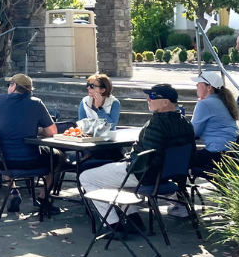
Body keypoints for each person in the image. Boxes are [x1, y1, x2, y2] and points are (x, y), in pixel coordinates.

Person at [78, 84, 196, 231]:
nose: (148, 99)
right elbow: (189, 154)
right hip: (167, 177)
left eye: (153, 97)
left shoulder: (156, 124)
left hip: (145, 176)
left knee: (86, 177)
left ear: (166, 102)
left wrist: (128, 162)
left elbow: (147, 158)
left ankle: (113, 225)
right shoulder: (186, 123)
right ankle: (133, 220)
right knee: (111, 175)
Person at [0, 73, 60, 209]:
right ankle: (43, 198)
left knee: (4, 149)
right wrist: (35, 130)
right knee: (56, 157)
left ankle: (13, 192)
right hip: (31, 161)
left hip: (3, 162)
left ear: (14, 86)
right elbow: (52, 132)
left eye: (9, 84)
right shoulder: (36, 103)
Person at [188, 71, 239, 188]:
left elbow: (193, 132)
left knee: (180, 159)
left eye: (199, 83)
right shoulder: (223, 101)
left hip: (217, 154)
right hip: (232, 152)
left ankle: (181, 196)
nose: (196, 86)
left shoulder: (204, 104)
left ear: (209, 87)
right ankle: (224, 191)